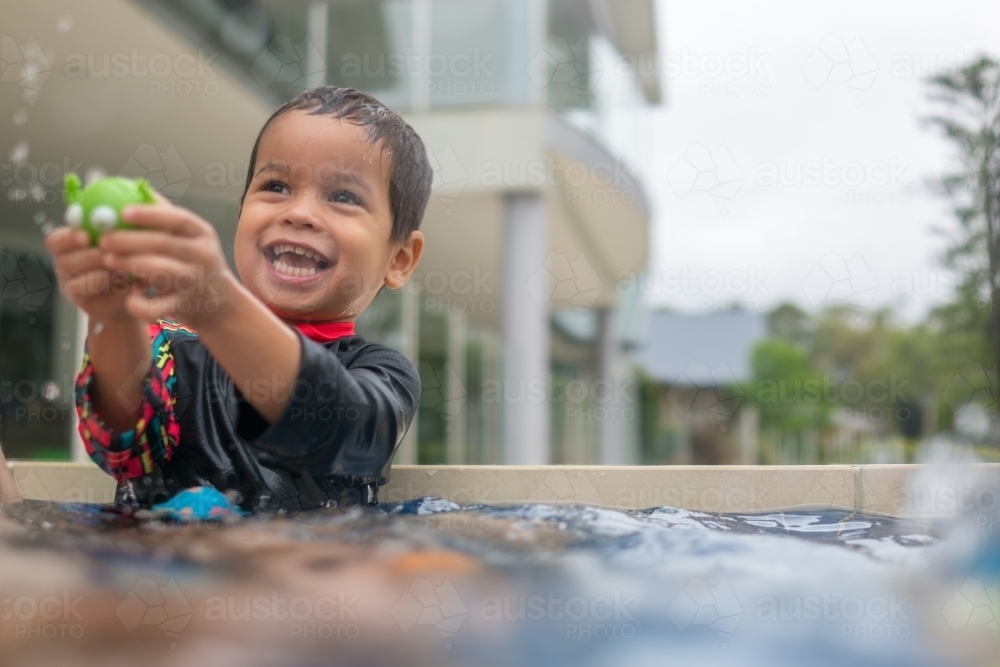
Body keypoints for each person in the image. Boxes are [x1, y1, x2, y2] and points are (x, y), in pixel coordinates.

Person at [43, 87, 430, 512]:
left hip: (301, 574)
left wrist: (220, 306)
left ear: (399, 259)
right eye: (276, 185)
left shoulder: (380, 373)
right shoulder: (175, 350)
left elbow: (339, 432)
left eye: (343, 196)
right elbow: (123, 450)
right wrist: (116, 317)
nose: (298, 212)